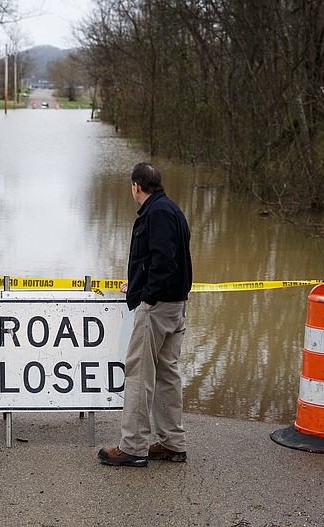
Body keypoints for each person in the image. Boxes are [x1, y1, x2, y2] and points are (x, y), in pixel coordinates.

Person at [98, 162, 193, 468]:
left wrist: (148, 297)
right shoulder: (170, 209)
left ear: (136, 186)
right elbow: (160, 259)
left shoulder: (156, 213)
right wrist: (137, 284)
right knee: (167, 374)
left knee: (138, 375)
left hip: (158, 308)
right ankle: (171, 443)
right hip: (174, 305)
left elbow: (164, 260)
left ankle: (134, 447)